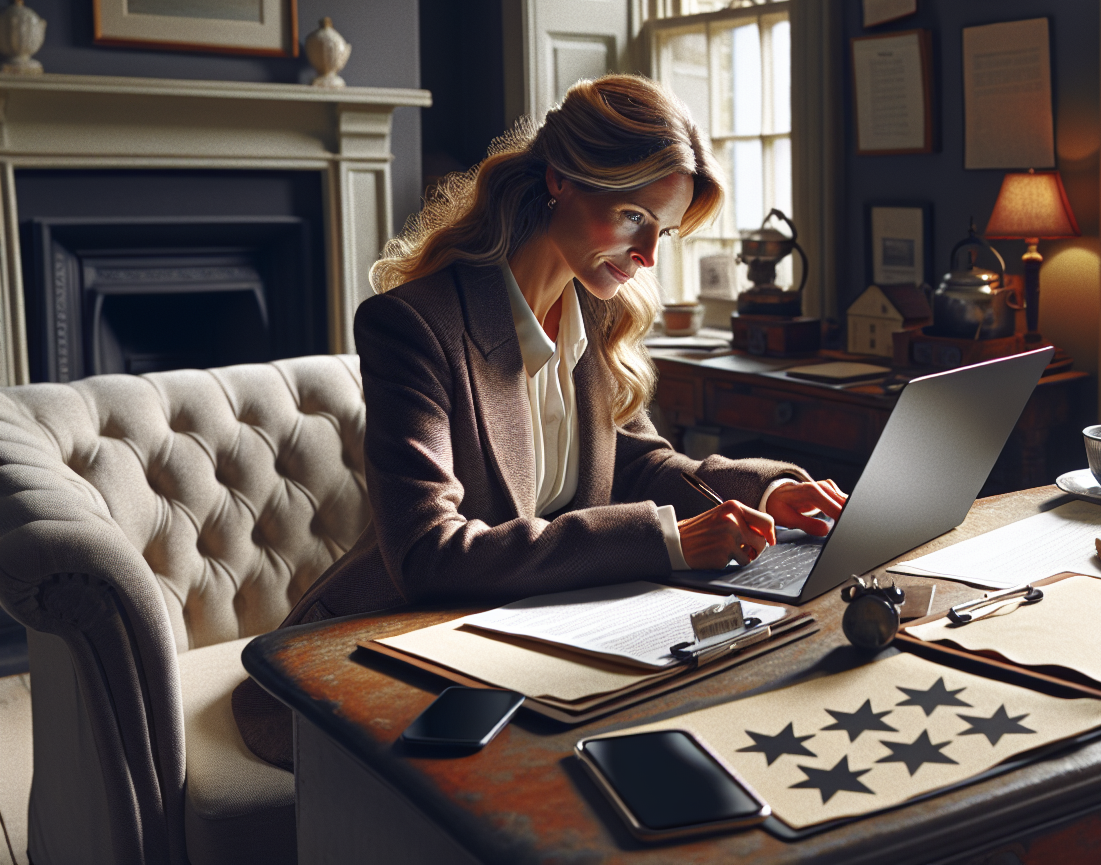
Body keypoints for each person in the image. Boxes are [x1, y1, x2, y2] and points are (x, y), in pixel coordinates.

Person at [233, 75, 846, 767]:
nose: (647, 257)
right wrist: (666, 540)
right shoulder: (414, 326)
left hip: (538, 631)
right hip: (395, 640)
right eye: (634, 217)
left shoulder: (602, 305)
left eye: (662, 231)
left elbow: (634, 460)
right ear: (562, 179)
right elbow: (429, 555)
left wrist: (765, 493)